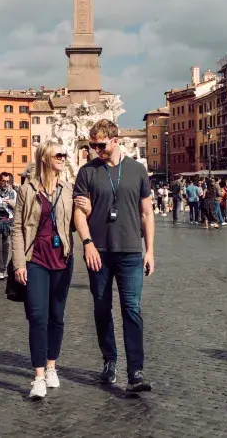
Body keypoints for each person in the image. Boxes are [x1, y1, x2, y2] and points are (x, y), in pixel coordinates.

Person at [73, 119, 155, 392]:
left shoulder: (137, 170)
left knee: (132, 309)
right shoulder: (87, 172)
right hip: (99, 251)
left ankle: (136, 370)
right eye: (92, 145)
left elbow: (147, 213)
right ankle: (109, 361)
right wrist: (87, 243)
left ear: (116, 140)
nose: (96, 150)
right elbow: (78, 212)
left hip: (131, 251)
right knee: (101, 308)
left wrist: (150, 250)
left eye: (101, 145)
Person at [12, 141, 75, 400]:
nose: (62, 157)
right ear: (45, 158)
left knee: (56, 317)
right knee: (38, 317)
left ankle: (51, 367)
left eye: (64, 154)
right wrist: (18, 263)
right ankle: (38, 377)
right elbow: (17, 227)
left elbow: (78, 221)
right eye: (57, 154)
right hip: (35, 258)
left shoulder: (69, 189)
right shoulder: (27, 190)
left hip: (62, 259)